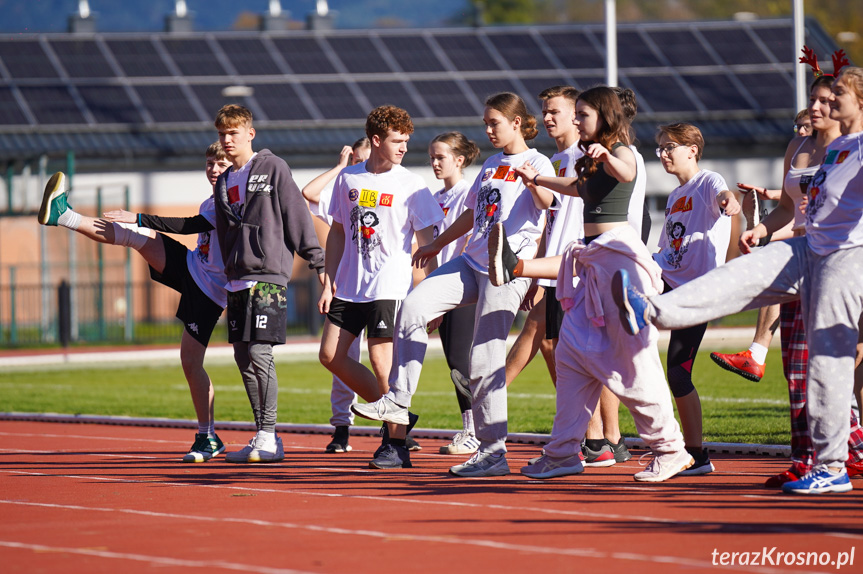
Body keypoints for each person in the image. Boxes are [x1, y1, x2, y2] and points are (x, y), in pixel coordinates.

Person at [611, 67, 863, 494]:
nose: (822, 103)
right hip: (809, 247)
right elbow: (794, 206)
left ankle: (833, 465)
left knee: (825, 362)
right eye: (822, 97)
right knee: (738, 276)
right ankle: (651, 310)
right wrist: (761, 229)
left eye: (833, 95)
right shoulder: (831, 148)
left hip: (847, 256)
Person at [492, 85, 691, 482]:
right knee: (570, 356)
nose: (577, 122)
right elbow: (579, 191)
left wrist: (605, 156)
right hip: (592, 255)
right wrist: (540, 180)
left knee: (632, 362)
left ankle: (671, 449)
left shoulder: (621, 151)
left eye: (583, 115)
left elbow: (629, 172)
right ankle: (564, 452)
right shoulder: (588, 158)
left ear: (605, 117)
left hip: (619, 259)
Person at [351, 92, 556, 476]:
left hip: (504, 270)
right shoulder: (493, 163)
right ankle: (397, 400)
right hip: (471, 260)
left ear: (515, 123)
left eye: (494, 122)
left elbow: (546, 203)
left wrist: (532, 182)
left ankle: (493, 452)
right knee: (412, 309)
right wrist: (436, 244)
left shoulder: (536, 161)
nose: (488, 130)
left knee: (484, 359)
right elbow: (472, 212)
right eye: (486, 123)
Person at [37, 142, 232, 463]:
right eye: (210, 162)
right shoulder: (211, 199)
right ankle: (63, 215)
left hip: (209, 290)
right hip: (194, 266)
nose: (213, 168)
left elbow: (188, 225)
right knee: (134, 236)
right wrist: (138, 222)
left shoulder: (227, 202)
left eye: (221, 164)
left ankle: (208, 435)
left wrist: (141, 216)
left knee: (190, 362)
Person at [317, 105, 443, 469]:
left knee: (381, 362)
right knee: (330, 356)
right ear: (376, 140)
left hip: (391, 286)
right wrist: (330, 281)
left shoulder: (412, 184)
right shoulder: (349, 179)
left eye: (406, 141)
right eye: (396, 141)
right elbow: (338, 231)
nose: (404, 147)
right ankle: (397, 417)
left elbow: (427, 245)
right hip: (349, 287)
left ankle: (396, 444)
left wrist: (432, 295)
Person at [212, 104, 325, 464]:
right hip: (236, 280)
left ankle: (270, 435)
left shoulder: (273, 167)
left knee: (260, 353)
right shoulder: (224, 180)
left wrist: (317, 261)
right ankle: (262, 434)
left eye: (233, 132)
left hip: (267, 277)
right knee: (243, 357)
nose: (227, 140)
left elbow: (297, 214)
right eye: (222, 134)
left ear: (250, 133)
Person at [651, 122, 740, 475]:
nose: (663, 154)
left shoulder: (708, 182)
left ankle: (695, 455)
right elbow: (666, 247)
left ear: (692, 149)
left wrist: (730, 202)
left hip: (696, 291)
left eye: (669, 146)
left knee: (677, 370)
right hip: (668, 284)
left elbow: (724, 195)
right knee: (624, 345)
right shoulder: (675, 196)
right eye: (659, 148)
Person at [503, 86, 581, 396]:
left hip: (577, 267)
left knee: (571, 350)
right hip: (554, 268)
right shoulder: (553, 160)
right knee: (548, 342)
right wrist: (537, 276)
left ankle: (486, 392)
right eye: (544, 111)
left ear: (576, 116)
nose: (546, 117)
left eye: (554, 112)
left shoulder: (589, 156)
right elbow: (548, 223)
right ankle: (586, 430)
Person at [302, 138, 372, 453]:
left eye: (362, 157)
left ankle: (396, 427)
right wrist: (341, 167)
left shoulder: (399, 184)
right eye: (354, 157)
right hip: (349, 287)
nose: (358, 162)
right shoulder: (346, 189)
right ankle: (341, 428)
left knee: (389, 361)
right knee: (340, 358)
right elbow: (310, 193)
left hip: (385, 287)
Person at [427, 131, 483, 456]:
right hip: (442, 286)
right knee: (453, 362)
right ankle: (470, 428)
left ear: (459, 160)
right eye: (432, 157)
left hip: (462, 286)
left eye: (441, 157)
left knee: (463, 361)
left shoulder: (466, 194)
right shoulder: (436, 198)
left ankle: (476, 430)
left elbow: (465, 241)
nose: (435, 163)